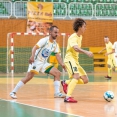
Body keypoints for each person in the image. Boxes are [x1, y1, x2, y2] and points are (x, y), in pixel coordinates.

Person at [10, 26, 66, 99]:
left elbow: (58, 55)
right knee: (28, 77)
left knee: (57, 73)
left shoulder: (55, 44)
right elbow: (34, 48)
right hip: (36, 61)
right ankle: (13, 92)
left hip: (44, 63)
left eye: (57, 33)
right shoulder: (44, 40)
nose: (57, 34)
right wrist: (32, 56)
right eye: (55, 32)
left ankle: (57, 93)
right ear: (50, 32)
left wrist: (62, 64)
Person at [61, 18, 93, 103]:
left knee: (85, 80)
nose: (85, 28)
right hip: (70, 59)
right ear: (79, 27)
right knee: (76, 76)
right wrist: (86, 52)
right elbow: (75, 48)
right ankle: (68, 97)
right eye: (84, 26)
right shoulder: (73, 37)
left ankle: (66, 82)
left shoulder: (80, 37)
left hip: (76, 61)